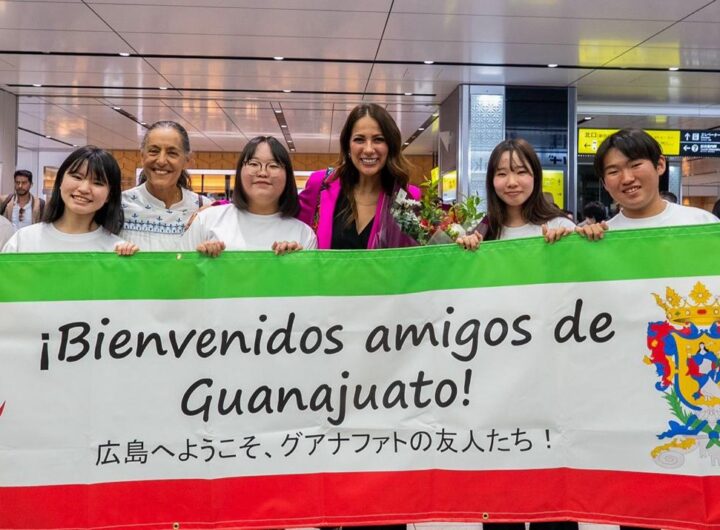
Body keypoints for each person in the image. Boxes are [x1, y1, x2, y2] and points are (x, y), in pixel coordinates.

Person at [297, 103, 479, 251]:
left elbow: (430, 251)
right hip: (327, 286)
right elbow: (294, 232)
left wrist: (462, 240)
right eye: (359, 139)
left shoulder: (407, 198)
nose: (369, 149)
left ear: (390, 146)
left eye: (378, 139)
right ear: (348, 146)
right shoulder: (320, 185)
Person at [182, 136, 316, 256]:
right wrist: (201, 259)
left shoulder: (303, 235)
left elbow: (308, 276)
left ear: (288, 176)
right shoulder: (206, 220)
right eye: (253, 164)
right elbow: (181, 270)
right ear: (240, 171)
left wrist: (297, 264)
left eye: (273, 165)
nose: (263, 173)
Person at [578, 128, 718, 242]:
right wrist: (570, 241)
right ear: (604, 183)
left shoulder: (703, 224)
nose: (627, 179)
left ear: (660, 165)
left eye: (635, 165)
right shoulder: (601, 237)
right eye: (614, 172)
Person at [2, 146, 137, 255]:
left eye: (97, 182)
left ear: (109, 195)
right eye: (77, 177)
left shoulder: (115, 250)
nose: (84, 189)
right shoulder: (23, 241)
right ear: (60, 180)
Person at [120, 120, 204, 251]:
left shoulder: (203, 208)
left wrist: (216, 208)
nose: (161, 161)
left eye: (172, 153)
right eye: (154, 151)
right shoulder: (119, 205)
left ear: (186, 161)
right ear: (142, 156)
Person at [483, 138, 575, 243]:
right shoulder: (483, 230)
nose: (512, 183)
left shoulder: (560, 227)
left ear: (535, 176)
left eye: (521, 172)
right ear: (491, 180)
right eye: (502, 174)